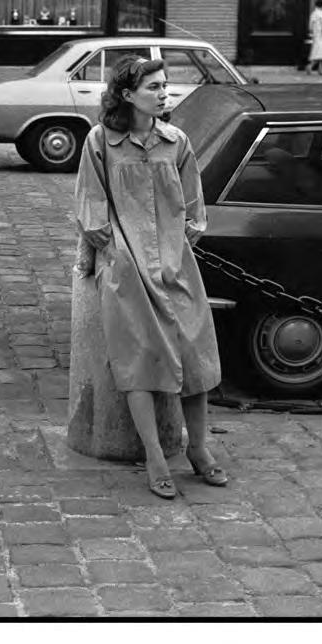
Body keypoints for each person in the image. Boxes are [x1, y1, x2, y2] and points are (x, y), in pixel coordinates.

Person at [73, 56, 226, 499]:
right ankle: (155, 455)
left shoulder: (176, 142)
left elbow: (195, 207)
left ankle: (198, 447)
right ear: (127, 94)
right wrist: (118, 254)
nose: (164, 94)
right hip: (126, 270)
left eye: (165, 85)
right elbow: (90, 204)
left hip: (177, 267)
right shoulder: (100, 142)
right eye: (153, 87)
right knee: (139, 361)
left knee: (194, 356)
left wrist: (178, 246)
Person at [307, 0, 322, 78]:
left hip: (315, 35)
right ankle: (311, 66)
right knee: (321, 53)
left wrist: (313, 32)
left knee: (319, 52)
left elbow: (310, 27)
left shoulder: (313, 14)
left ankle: (320, 69)